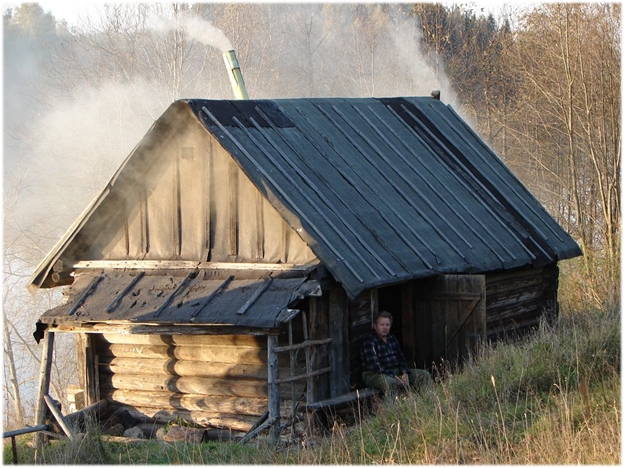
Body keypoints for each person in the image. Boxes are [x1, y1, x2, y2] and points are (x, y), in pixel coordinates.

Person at [360, 311, 432, 393]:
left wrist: (405, 373)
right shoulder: (370, 341)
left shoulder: (392, 338)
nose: (385, 327)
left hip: (395, 371)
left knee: (424, 375)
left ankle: (427, 401)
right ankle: (391, 405)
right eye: (382, 325)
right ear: (375, 326)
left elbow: (401, 358)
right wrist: (393, 376)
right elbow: (375, 366)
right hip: (374, 374)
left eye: (387, 325)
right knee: (391, 383)